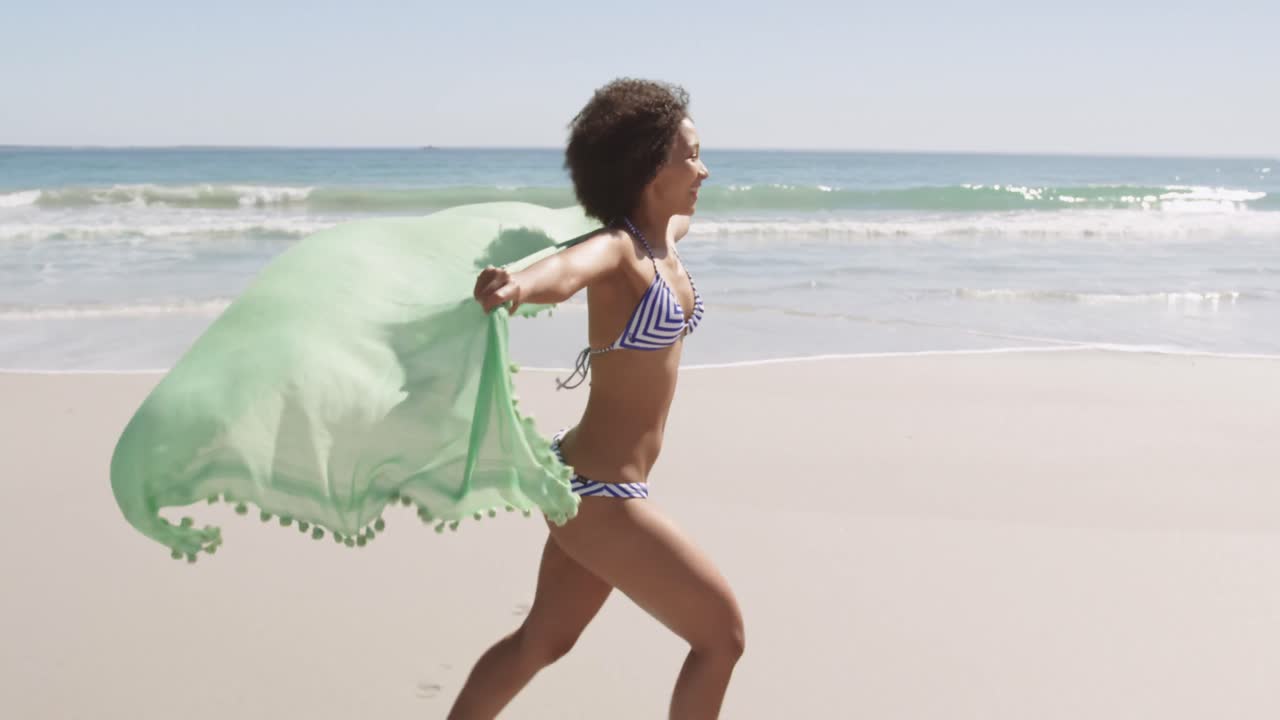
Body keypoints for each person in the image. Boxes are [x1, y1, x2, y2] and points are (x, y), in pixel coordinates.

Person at [452, 79, 744, 719]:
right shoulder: (618, 252)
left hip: (580, 481)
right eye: (688, 156)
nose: (703, 169)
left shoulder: (665, 236)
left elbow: (668, 217)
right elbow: (563, 273)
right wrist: (515, 287)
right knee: (721, 638)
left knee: (541, 643)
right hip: (602, 497)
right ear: (647, 169)